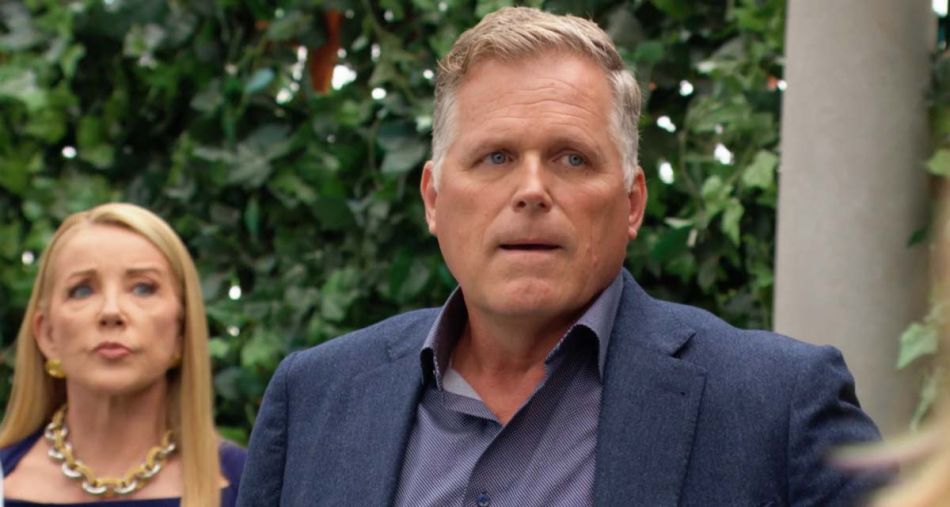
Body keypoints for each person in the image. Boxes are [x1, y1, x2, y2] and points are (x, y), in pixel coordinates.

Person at [238, 7, 886, 506]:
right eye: (495, 157)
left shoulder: (777, 406)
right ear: (434, 199)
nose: (532, 190)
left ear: (632, 204)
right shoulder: (314, 398)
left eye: (572, 159)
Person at [0, 203, 245, 506]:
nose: (111, 311)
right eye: (82, 290)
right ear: (47, 334)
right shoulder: (5, 481)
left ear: (181, 330)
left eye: (143, 288)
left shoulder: (253, 486)